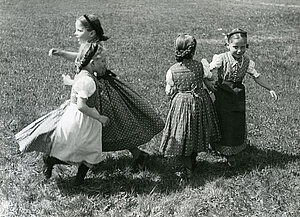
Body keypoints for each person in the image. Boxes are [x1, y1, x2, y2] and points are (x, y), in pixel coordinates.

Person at [49, 14, 165, 169]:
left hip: (99, 90)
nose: (75, 33)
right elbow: (81, 58)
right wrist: (62, 54)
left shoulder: (96, 48)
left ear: (91, 33)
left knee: (111, 123)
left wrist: (72, 81)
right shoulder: (88, 46)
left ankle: (87, 155)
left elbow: (84, 62)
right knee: (110, 124)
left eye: (79, 30)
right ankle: (133, 154)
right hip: (90, 88)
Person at [17, 42, 109, 186]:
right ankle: (52, 160)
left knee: (87, 151)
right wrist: (99, 117)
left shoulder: (83, 74)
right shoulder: (88, 80)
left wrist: (70, 82)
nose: (105, 64)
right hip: (84, 120)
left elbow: (79, 88)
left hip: (80, 118)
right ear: (92, 63)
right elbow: (81, 105)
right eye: (102, 61)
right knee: (87, 151)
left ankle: (77, 180)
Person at [208, 28, 278, 167]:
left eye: (243, 47)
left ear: (246, 46)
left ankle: (232, 148)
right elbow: (207, 71)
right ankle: (220, 147)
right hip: (222, 93)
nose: (239, 50)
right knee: (222, 120)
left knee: (236, 122)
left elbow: (256, 76)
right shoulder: (221, 58)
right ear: (227, 45)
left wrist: (270, 88)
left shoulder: (247, 62)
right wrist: (208, 84)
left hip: (238, 95)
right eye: (235, 47)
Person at [160, 34, 220, 179]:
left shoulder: (172, 70)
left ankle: (187, 164)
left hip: (181, 103)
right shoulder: (200, 66)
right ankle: (192, 158)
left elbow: (169, 90)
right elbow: (210, 77)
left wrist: (173, 93)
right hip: (200, 101)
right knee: (196, 128)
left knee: (184, 130)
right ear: (193, 51)